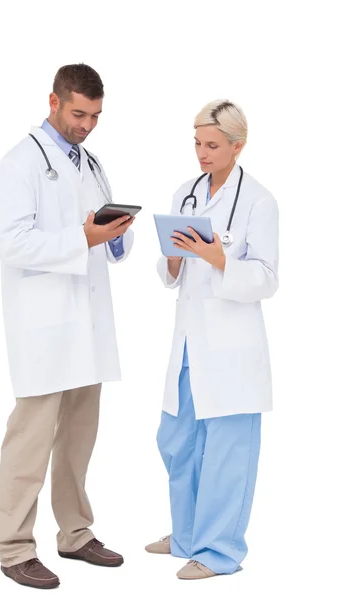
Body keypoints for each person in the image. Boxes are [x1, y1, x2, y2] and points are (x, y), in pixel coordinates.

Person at [0, 63, 135, 590]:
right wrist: (84, 239)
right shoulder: (20, 163)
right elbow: (13, 243)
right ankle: (14, 547)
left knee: (78, 439)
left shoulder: (91, 163)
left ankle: (75, 533)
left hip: (87, 326)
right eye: (79, 114)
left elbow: (103, 237)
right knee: (29, 441)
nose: (88, 125)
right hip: (44, 326)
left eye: (95, 116)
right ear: (53, 102)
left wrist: (116, 235)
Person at [145, 100, 279, 580]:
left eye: (212, 145)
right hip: (188, 345)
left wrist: (220, 260)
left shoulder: (259, 201)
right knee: (177, 441)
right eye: (197, 143)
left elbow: (266, 278)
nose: (201, 153)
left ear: (237, 146)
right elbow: (169, 268)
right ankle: (186, 535)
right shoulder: (187, 192)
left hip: (231, 352)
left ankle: (219, 551)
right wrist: (175, 261)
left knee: (226, 453)